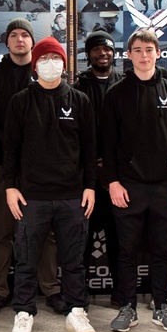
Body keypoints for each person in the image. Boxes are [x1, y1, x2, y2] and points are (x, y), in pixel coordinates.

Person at [4, 37, 97, 332]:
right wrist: (10, 187)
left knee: (73, 260)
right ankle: (24, 313)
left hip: (72, 195)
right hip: (32, 196)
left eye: (55, 58)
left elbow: (89, 150)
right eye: (43, 59)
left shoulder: (80, 101)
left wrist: (90, 188)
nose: (50, 63)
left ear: (64, 64)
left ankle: (76, 311)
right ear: (35, 65)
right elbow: (11, 150)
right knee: (27, 259)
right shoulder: (20, 101)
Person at [102, 29, 167, 332]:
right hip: (128, 186)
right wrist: (113, 182)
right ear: (129, 56)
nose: (143, 55)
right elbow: (108, 145)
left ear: (157, 53)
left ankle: (161, 305)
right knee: (126, 251)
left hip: (166, 185)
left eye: (149, 50)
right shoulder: (116, 93)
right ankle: (127, 306)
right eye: (137, 50)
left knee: (162, 250)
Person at [0, 18, 61, 316]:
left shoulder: (45, 74)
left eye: (25, 34)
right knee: (3, 231)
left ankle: (50, 288)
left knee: (46, 233)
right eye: (13, 35)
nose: (19, 40)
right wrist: (13, 146)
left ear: (32, 41)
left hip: (41, 170)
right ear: (7, 41)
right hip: (4, 167)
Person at [73, 29, 122, 306]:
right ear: (88, 54)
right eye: (96, 49)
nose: (103, 53)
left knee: (118, 236)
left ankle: (120, 292)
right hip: (87, 177)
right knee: (83, 238)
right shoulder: (78, 88)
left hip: (117, 178)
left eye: (107, 49)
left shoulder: (125, 84)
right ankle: (79, 296)